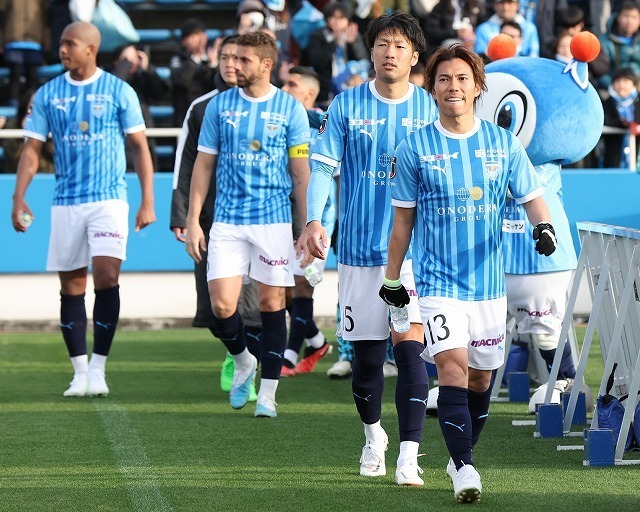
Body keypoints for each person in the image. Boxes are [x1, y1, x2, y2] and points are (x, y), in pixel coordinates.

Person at [381, 43, 556, 502]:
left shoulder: (502, 143)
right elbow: (403, 221)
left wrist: (544, 228)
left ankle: (460, 452)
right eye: (443, 79)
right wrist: (393, 278)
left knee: (481, 379)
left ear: (478, 87)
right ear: (431, 87)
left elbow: (532, 197)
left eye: (461, 78)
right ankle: (464, 468)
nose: (452, 86)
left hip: (488, 286)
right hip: (439, 284)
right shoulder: (415, 147)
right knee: (452, 370)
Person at [306, 11, 438, 486]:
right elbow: (322, 167)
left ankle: (408, 455)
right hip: (361, 255)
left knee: (409, 353)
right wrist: (314, 220)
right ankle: (373, 435)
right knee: (366, 363)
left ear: (415, 55)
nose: (390, 53)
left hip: (415, 259)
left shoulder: (431, 108)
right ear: (371, 50)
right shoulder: (344, 106)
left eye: (400, 46)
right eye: (383, 44)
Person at [10, 21, 156, 397]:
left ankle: (99, 368)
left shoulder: (119, 91)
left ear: (91, 49)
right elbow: (32, 148)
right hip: (66, 202)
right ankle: (78, 372)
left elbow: (139, 147)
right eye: (61, 43)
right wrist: (18, 196)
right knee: (71, 287)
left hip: (108, 199)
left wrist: (148, 200)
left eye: (69, 43)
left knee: (106, 276)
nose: (62, 49)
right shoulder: (47, 94)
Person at [185, 31, 311, 419]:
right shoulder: (219, 107)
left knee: (273, 304)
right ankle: (243, 361)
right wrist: (193, 219)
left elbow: (301, 175)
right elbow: (203, 164)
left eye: (242, 60)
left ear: (266, 65)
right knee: (222, 306)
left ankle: (268, 394)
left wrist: (306, 225)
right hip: (227, 221)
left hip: (272, 223)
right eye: (231, 58)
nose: (232, 65)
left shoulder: (291, 110)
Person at [169, 35, 261, 401]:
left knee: (253, 304)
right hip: (211, 220)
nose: (230, 63)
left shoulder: (272, 105)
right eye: (223, 57)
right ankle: (236, 352)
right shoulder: (202, 108)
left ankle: (250, 369)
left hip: (258, 217)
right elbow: (186, 163)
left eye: (237, 57)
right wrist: (183, 215)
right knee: (213, 307)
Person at [279, 66, 335, 375]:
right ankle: (315, 340)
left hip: (316, 221)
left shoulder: (324, 128)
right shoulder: (281, 122)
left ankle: (288, 355)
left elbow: (329, 180)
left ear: (309, 94)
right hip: (280, 215)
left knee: (301, 286)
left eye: (292, 84)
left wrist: (319, 223)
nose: (283, 88)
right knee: (283, 288)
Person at [109, 44, 167, 172]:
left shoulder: (141, 80)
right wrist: (125, 64)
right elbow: (112, 90)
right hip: (120, 146)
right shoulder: (110, 79)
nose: (132, 62)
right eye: (128, 59)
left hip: (145, 142)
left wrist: (147, 69)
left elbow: (159, 92)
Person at [300, 2, 369, 104]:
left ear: (347, 20)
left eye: (341, 18)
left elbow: (363, 60)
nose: (337, 22)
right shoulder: (318, 35)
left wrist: (351, 44)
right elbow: (318, 62)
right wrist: (334, 43)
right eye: (333, 17)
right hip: (325, 88)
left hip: (349, 85)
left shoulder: (351, 34)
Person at [170, 19, 218, 127]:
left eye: (200, 35)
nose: (198, 40)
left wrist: (213, 65)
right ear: (183, 41)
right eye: (192, 36)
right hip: (183, 118)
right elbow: (180, 80)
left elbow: (219, 85)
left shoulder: (213, 58)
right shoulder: (178, 58)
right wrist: (195, 58)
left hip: (210, 118)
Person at [1, 88, 54, 174]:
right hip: (15, 177)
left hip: (47, 176)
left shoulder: (55, 124)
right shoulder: (13, 125)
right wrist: (26, 135)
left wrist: (42, 133)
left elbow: (55, 153)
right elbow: (12, 154)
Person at [602, 67, 640, 168]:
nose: (621, 85)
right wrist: (623, 124)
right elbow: (603, 120)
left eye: (626, 81)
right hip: (613, 155)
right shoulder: (607, 102)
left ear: (634, 84)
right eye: (617, 81)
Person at [474, 0, 540, 57]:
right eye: (501, 3)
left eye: (510, 2)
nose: (506, 8)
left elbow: (534, 57)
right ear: (494, 5)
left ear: (517, 5)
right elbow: (480, 58)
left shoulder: (530, 28)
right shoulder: (482, 29)